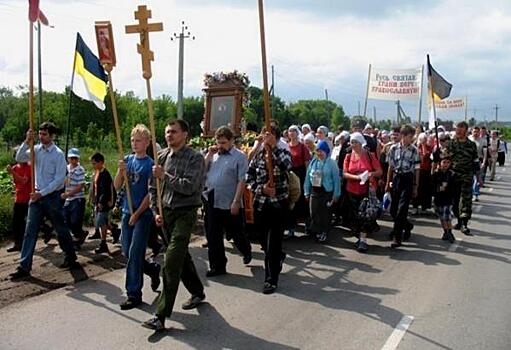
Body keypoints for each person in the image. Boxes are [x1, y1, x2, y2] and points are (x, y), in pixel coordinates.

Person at [142, 119, 206, 332]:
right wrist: (155, 210)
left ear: (185, 134)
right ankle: (197, 291)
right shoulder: (161, 157)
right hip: (166, 214)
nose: (170, 135)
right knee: (181, 257)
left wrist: (165, 176)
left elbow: (189, 187)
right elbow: (153, 188)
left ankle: (160, 316)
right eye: (167, 132)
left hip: (185, 213)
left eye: (174, 132)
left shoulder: (195, 158)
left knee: (171, 260)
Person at [10, 122, 78, 279]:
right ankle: (24, 266)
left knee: (60, 229)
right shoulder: (36, 150)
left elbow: (60, 179)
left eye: (44, 134)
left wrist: (43, 193)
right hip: (36, 196)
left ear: (52, 135)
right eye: (39, 134)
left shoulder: (58, 154)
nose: (41, 137)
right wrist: (27, 141)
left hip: (52, 197)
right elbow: (19, 157)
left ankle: (70, 256)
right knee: (30, 231)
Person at [114, 124, 160, 310]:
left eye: (138, 140)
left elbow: (150, 194)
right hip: (127, 211)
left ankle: (133, 294)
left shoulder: (150, 164)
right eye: (133, 140)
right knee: (126, 251)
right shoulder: (127, 160)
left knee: (134, 253)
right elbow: (117, 186)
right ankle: (152, 269)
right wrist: (120, 171)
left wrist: (138, 214)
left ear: (147, 142)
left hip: (142, 214)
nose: (135, 143)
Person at [246, 125, 292, 295]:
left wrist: (273, 148)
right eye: (264, 134)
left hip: (278, 204)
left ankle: (271, 280)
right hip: (260, 204)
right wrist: (261, 189)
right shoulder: (257, 156)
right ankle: (278, 256)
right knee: (263, 240)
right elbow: (248, 177)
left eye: (270, 135)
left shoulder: (282, 152)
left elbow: (287, 166)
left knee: (273, 243)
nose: (266, 137)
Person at [203, 126, 252, 276]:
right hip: (212, 198)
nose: (220, 146)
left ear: (231, 141)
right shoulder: (214, 155)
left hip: (230, 199)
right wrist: (208, 156)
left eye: (223, 143)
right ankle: (218, 266)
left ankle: (246, 250)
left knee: (236, 233)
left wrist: (237, 201)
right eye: (218, 142)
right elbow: (201, 171)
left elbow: (241, 180)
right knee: (213, 235)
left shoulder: (239, 157)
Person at [343, 132, 382, 252]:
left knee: (365, 214)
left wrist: (370, 174)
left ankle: (363, 239)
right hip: (352, 190)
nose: (352, 145)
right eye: (351, 142)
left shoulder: (370, 155)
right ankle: (359, 237)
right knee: (355, 215)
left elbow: (379, 171)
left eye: (355, 142)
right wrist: (358, 178)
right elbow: (344, 173)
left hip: (366, 190)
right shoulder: (348, 156)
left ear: (360, 143)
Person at [385, 124, 420, 248]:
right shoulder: (394, 149)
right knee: (394, 209)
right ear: (403, 136)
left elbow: (416, 169)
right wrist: (387, 183)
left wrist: (415, 186)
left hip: (408, 179)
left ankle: (397, 236)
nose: (412, 139)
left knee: (402, 208)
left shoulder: (414, 150)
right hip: (396, 179)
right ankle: (407, 225)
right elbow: (390, 167)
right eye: (410, 136)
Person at [447, 121, 481, 235]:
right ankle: (459, 220)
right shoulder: (451, 144)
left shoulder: (471, 145)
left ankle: (464, 223)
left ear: (466, 131)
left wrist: (478, 177)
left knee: (465, 201)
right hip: (453, 176)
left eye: (461, 129)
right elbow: (444, 157)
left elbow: (476, 162)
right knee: (454, 202)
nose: (458, 131)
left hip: (467, 176)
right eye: (457, 129)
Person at [304, 140, 341, 243]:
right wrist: (306, 191)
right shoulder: (313, 162)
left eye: (322, 151)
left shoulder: (332, 163)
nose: (319, 153)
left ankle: (324, 232)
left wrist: (336, 194)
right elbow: (308, 177)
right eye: (318, 151)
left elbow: (336, 179)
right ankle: (317, 230)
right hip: (314, 191)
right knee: (314, 212)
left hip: (327, 191)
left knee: (325, 214)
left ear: (326, 152)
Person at [286, 125, 311, 238]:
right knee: (291, 201)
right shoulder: (286, 146)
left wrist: (307, 179)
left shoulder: (302, 147)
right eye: (289, 131)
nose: (291, 133)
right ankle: (291, 228)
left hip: (300, 174)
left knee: (302, 200)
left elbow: (307, 164)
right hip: (290, 175)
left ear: (297, 133)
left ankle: (306, 225)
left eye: (293, 131)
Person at [5, 148, 31, 252]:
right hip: (19, 198)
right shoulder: (15, 167)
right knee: (16, 222)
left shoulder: (28, 167)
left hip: (28, 198)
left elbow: (24, 181)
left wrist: (12, 172)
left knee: (28, 222)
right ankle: (18, 243)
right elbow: (16, 182)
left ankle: (45, 228)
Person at [90, 152, 115, 254]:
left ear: (101, 162)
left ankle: (103, 243)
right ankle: (114, 231)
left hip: (104, 202)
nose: (93, 165)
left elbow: (105, 190)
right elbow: (95, 187)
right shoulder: (97, 172)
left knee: (101, 221)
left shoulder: (105, 174)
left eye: (94, 163)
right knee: (102, 221)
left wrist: (101, 202)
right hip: (98, 201)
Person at [62, 148, 87, 248]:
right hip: (68, 199)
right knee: (66, 219)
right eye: (71, 158)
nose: (73, 160)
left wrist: (69, 194)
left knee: (75, 220)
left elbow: (81, 185)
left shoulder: (80, 170)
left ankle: (77, 238)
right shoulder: (66, 168)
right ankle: (79, 234)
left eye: (75, 158)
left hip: (77, 198)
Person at [432, 151, 457, 243]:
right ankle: (445, 231)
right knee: (441, 217)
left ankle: (449, 232)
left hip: (448, 199)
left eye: (447, 162)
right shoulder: (436, 174)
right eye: (444, 162)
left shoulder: (452, 174)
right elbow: (432, 186)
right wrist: (438, 189)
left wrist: (447, 188)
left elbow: (455, 188)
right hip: (438, 199)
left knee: (447, 216)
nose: (445, 164)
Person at [412, 133, 433, 214]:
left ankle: (425, 206)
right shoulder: (416, 148)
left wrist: (424, 146)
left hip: (426, 171)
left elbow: (426, 156)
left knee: (425, 190)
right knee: (416, 188)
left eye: (424, 139)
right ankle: (415, 206)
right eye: (421, 139)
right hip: (417, 171)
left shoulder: (429, 148)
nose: (423, 141)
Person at [469, 126, 487, 201]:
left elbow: (485, 153)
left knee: (477, 178)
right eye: (474, 131)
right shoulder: (468, 139)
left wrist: (483, 162)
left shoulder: (483, 141)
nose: (475, 133)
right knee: (470, 179)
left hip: (478, 161)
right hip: (469, 161)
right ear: (472, 132)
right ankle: (470, 193)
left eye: (477, 132)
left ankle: (475, 194)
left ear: (479, 132)